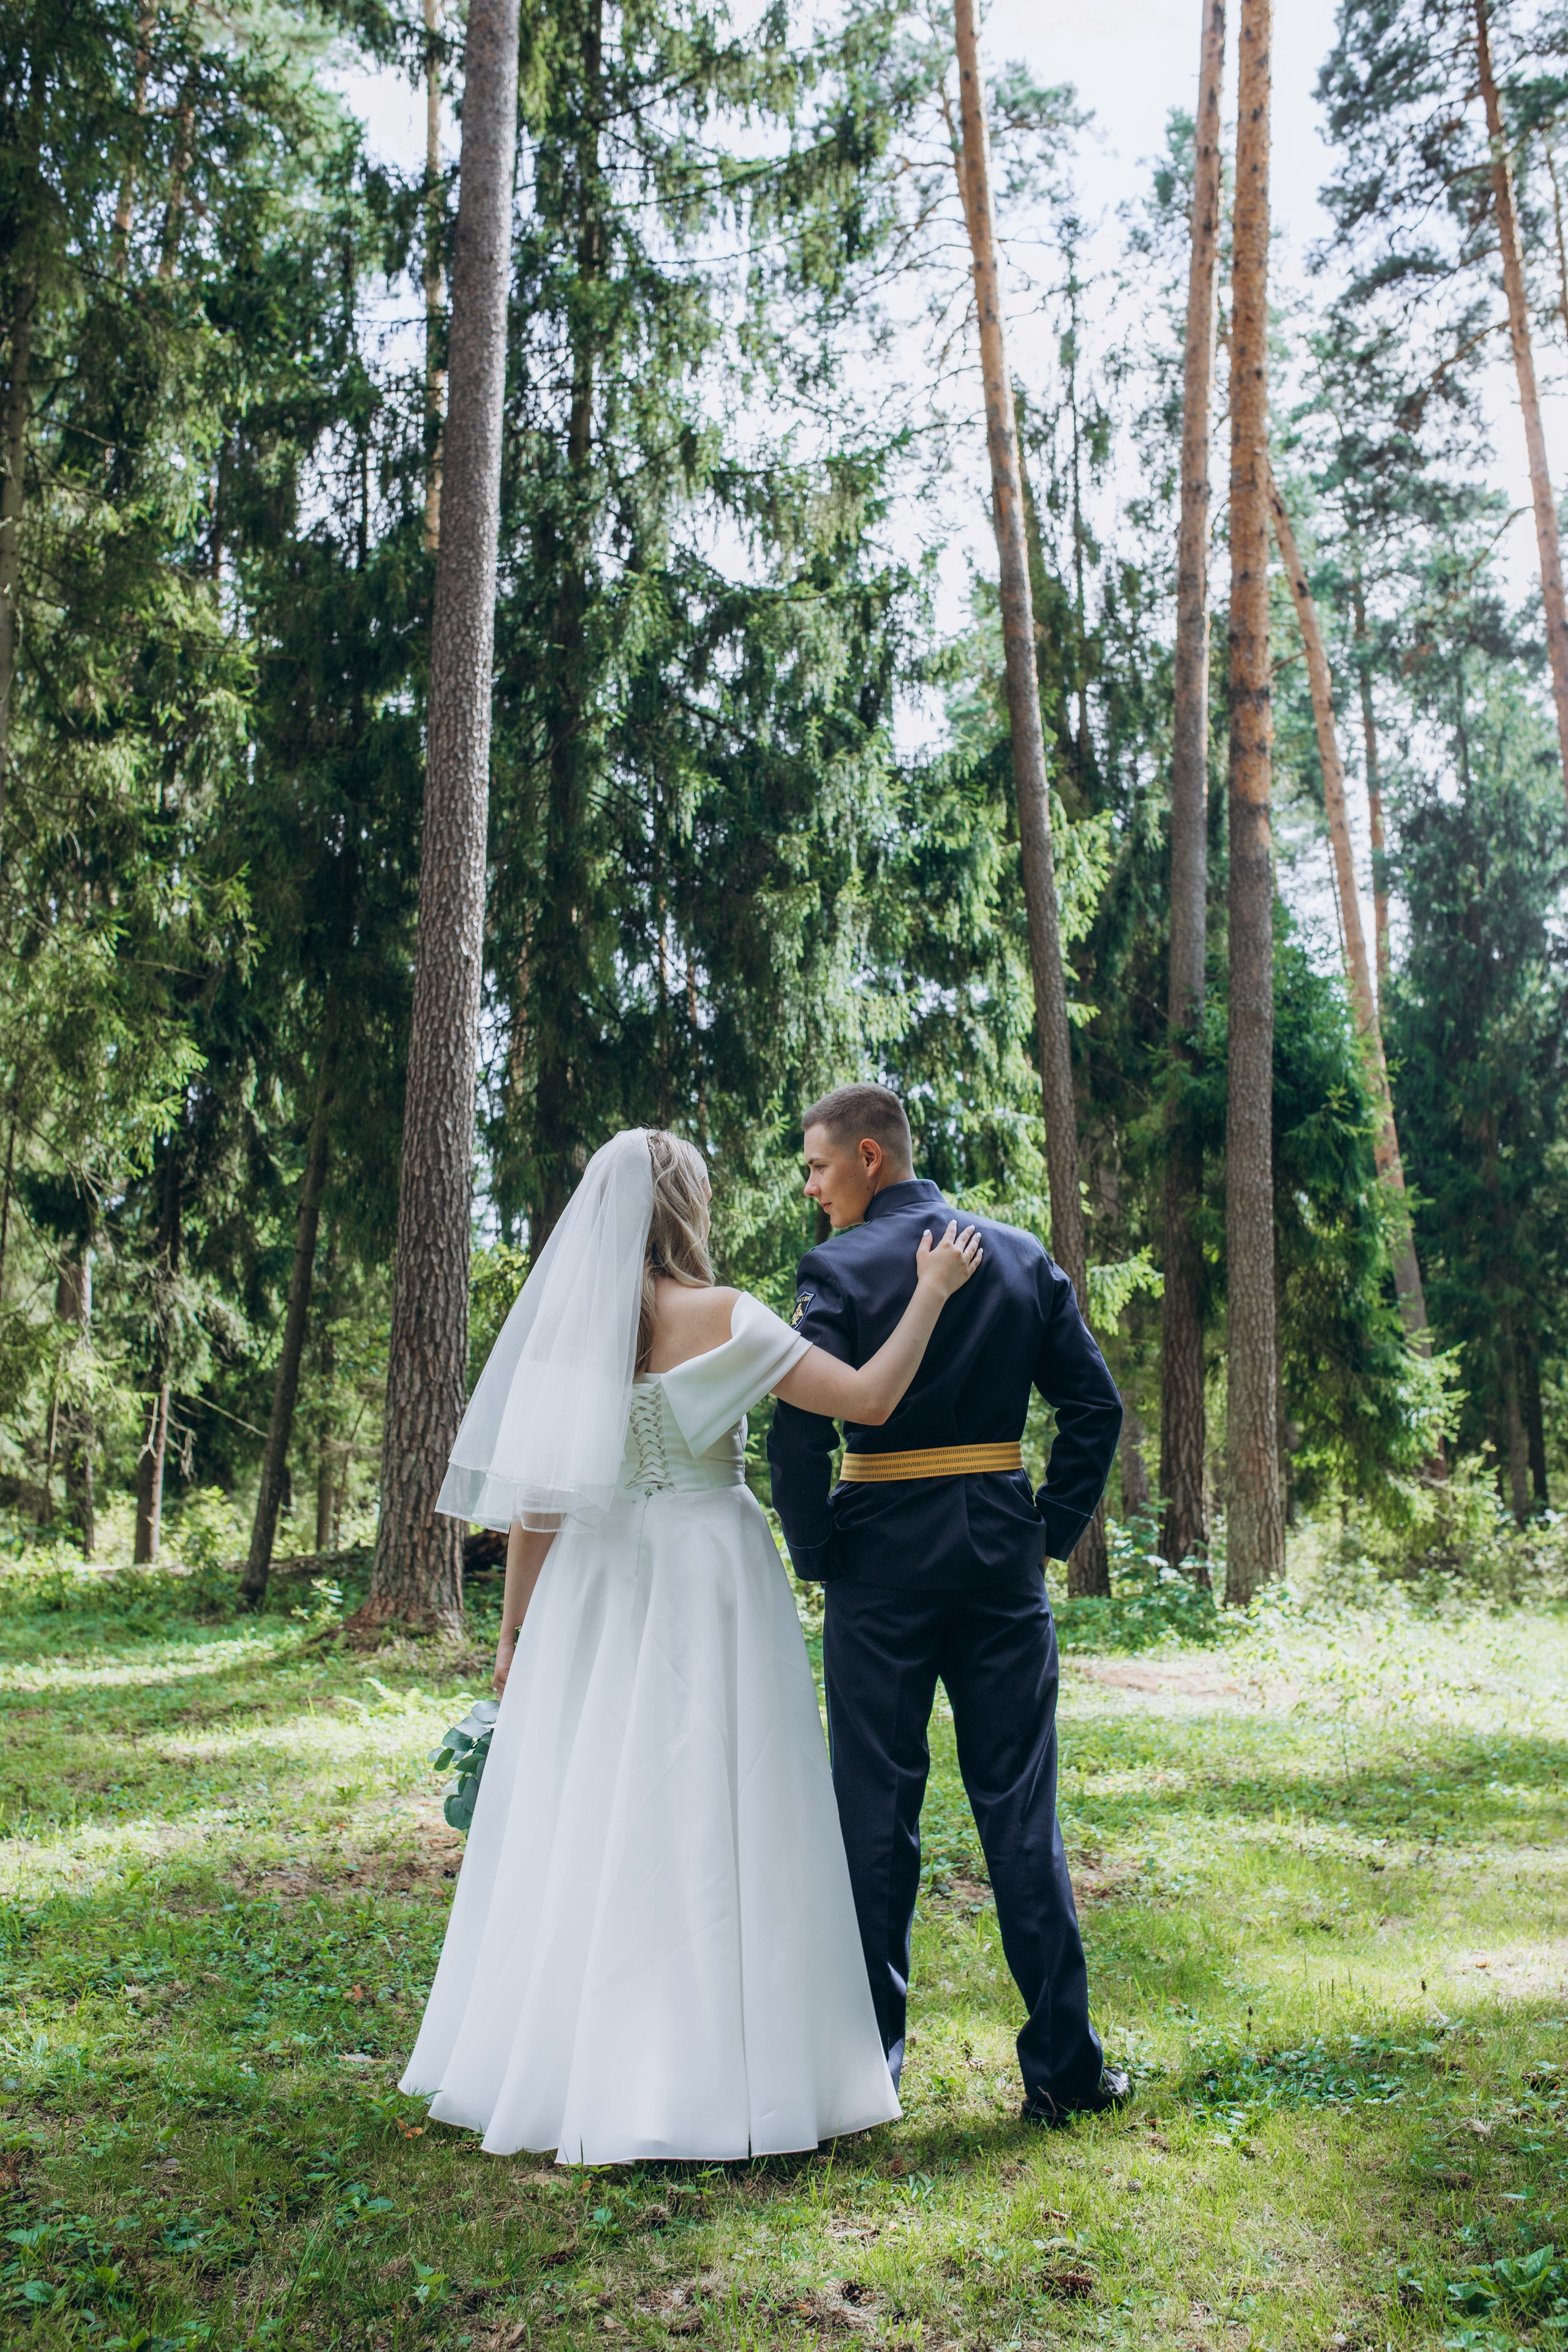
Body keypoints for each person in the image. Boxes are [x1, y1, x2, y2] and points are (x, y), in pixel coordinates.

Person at [400, 1126, 982, 2164]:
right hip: (707, 1572)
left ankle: (575, 2067)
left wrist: (514, 1634)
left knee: (591, 1807)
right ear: (686, 1207)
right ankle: (717, 2074)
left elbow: (538, 1504)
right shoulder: (724, 1315)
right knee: (715, 1799)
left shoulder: (567, 1331)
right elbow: (869, 1399)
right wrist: (931, 1291)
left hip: (589, 1583)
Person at [766, 1083, 1128, 2127]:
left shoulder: (837, 1272)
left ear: (869, 1157)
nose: (812, 1189)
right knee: (1020, 1809)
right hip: (1001, 1566)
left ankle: (867, 2075)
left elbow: (799, 1435)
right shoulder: (1017, 1254)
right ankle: (1064, 2071)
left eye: (818, 1167)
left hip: (880, 1567)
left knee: (874, 1815)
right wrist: (1045, 1530)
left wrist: (818, 1550)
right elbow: (1094, 1406)